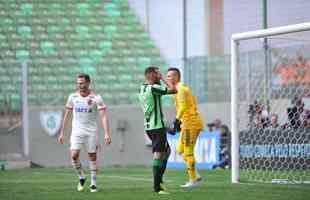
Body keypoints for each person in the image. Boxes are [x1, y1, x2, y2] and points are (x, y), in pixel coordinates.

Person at [57, 73, 111, 192]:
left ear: (87, 83)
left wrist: (107, 133)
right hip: (77, 130)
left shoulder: (96, 98)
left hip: (91, 131)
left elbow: (103, 116)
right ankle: (81, 176)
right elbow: (67, 115)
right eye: (78, 83)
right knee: (74, 155)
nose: (79, 85)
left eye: (81, 83)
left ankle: (93, 183)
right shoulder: (72, 97)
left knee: (92, 156)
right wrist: (61, 133)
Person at [138, 66, 175, 194]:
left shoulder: (142, 87)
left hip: (149, 126)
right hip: (157, 126)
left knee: (167, 151)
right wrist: (162, 78)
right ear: (153, 75)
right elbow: (173, 89)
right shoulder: (153, 88)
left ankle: (159, 181)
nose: (160, 74)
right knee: (159, 154)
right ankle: (157, 187)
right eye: (157, 73)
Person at [166, 67, 204, 188]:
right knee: (180, 150)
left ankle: (192, 181)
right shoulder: (178, 88)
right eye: (167, 76)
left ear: (176, 77)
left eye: (169, 76)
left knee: (188, 152)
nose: (168, 78)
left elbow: (182, 107)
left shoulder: (180, 89)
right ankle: (196, 175)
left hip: (190, 124)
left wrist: (176, 121)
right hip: (187, 123)